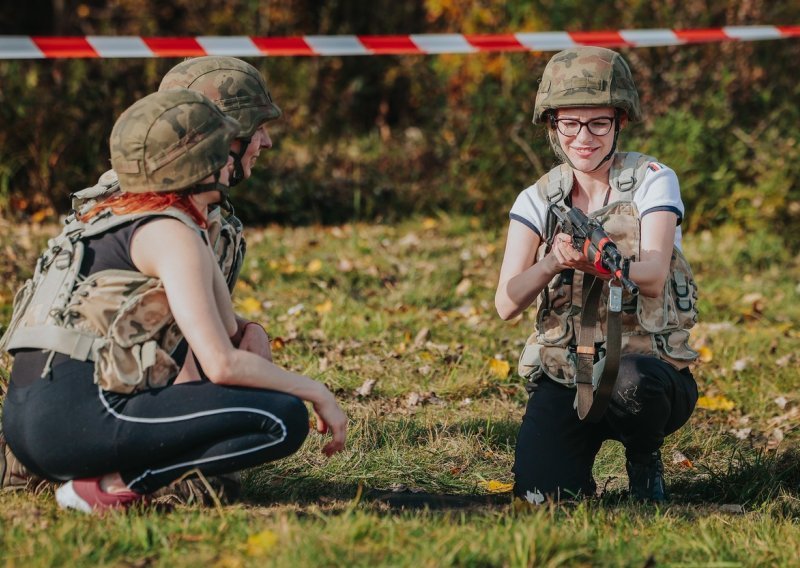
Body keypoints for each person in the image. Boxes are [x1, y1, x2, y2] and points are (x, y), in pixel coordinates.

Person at [0, 89, 347, 513]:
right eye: (220, 148)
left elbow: (226, 328)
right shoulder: (172, 234)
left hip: (27, 424)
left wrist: (252, 335)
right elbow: (221, 362)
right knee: (282, 419)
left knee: (272, 403)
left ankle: (90, 476)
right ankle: (107, 488)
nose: (231, 158)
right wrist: (316, 390)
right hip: (73, 422)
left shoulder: (131, 216)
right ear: (195, 164)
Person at [495, 47, 699, 504]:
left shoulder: (652, 179)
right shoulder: (537, 199)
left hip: (645, 369)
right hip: (570, 373)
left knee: (633, 382)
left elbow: (651, 275)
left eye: (598, 123)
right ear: (553, 125)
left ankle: (644, 455)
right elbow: (506, 303)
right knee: (539, 497)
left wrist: (609, 265)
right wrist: (553, 262)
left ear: (619, 122)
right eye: (570, 123)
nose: (583, 137)